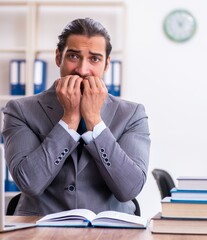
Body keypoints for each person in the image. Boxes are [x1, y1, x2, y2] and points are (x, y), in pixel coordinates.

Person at [2, 18, 150, 216]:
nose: (82, 70)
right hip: (39, 228)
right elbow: (30, 183)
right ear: (58, 57)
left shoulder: (132, 114)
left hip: (110, 231)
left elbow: (129, 189)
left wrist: (94, 122)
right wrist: (69, 120)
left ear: (106, 64)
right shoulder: (20, 110)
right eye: (73, 56)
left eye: (95, 59)